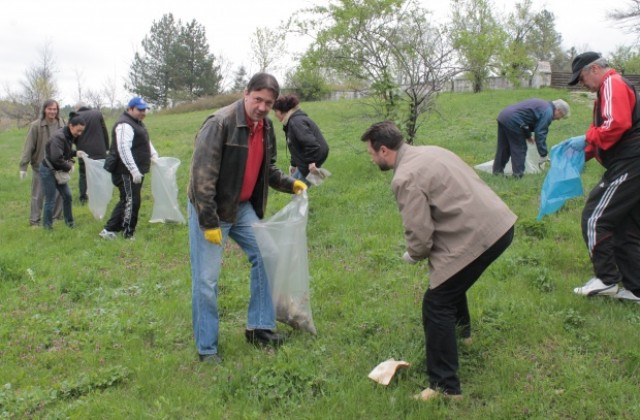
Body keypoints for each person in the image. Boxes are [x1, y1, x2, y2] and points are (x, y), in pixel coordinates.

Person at [360, 121, 516, 400]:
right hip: (500, 222)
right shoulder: (432, 151)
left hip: (479, 235)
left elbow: (420, 237)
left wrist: (413, 254)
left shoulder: (404, 177)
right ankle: (464, 336)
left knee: (437, 303)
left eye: (371, 153)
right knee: (450, 278)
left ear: (383, 150)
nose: (371, 159)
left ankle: (445, 388)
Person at [187, 73, 308, 364]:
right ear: (246, 94)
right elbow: (201, 178)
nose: (263, 107)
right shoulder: (220, 123)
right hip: (212, 208)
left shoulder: (265, 127)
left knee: (268, 255)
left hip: (241, 208)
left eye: (269, 102)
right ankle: (207, 349)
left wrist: (291, 183)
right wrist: (209, 221)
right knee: (206, 280)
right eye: (258, 100)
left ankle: (259, 327)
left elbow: (268, 169)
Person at [569, 52, 640, 303]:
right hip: (631, 161)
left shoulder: (612, 83)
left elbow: (615, 125)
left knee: (594, 216)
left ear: (595, 69)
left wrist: (588, 138)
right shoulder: (610, 87)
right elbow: (608, 131)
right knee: (625, 226)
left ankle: (607, 279)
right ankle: (635, 288)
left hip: (631, 162)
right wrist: (583, 154)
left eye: (581, 78)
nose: (582, 84)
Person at [99, 97, 159, 240]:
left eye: (144, 110)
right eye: (139, 110)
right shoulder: (124, 125)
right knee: (133, 201)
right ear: (130, 109)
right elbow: (123, 149)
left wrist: (154, 155)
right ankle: (128, 233)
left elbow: (145, 140)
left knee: (127, 199)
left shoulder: (137, 123)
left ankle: (109, 230)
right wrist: (133, 170)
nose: (143, 112)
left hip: (134, 170)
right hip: (124, 171)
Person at [492, 98, 570, 177]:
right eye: (561, 116)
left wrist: (528, 136)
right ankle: (517, 175)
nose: (558, 119)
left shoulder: (543, 105)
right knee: (519, 148)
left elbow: (525, 117)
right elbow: (540, 133)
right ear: (558, 110)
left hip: (504, 116)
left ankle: (497, 172)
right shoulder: (548, 112)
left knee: (504, 147)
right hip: (514, 121)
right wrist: (543, 154)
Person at [19, 99, 64, 226]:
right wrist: (23, 166)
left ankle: (55, 218)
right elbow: (29, 147)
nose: (52, 112)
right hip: (40, 166)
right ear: (44, 110)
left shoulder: (62, 124)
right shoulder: (36, 126)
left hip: (58, 165)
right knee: (38, 195)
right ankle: (35, 221)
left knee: (58, 194)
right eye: (50, 109)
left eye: (54, 109)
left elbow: (67, 143)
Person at [39, 115, 86, 229]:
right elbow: (56, 158)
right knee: (50, 199)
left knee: (68, 196)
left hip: (57, 169)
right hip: (48, 170)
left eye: (81, 131)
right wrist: (69, 166)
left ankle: (70, 223)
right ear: (71, 126)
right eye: (78, 130)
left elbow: (65, 151)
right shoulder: (59, 137)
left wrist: (75, 153)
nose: (79, 133)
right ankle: (47, 227)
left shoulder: (68, 135)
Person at [272, 94, 329, 186]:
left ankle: (308, 186)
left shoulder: (296, 122)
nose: (275, 115)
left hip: (314, 156)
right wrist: (294, 164)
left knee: (298, 187)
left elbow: (311, 144)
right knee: (294, 183)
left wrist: (312, 162)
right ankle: (313, 181)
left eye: (276, 111)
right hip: (308, 157)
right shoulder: (291, 121)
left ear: (283, 110)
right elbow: (295, 145)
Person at [70, 103, 109, 204]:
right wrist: (107, 148)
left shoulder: (75, 117)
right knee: (99, 173)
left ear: (77, 109)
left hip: (83, 150)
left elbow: (72, 135)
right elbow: (104, 131)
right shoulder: (97, 114)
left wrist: (77, 144)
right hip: (99, 150)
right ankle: (99, 195)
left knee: (83, 174)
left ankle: (83, 197)